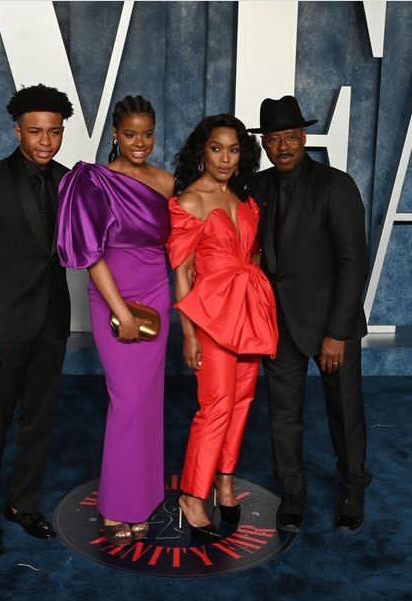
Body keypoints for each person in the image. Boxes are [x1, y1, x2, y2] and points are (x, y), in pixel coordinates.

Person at [0, 84, 73, 557]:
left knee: (39, 424)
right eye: (35, 132)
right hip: (1, 331)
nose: (46, 141)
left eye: (54, 132)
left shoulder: (69, 181)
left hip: (51, 325)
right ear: (17, 130)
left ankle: (22, 505)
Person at [248, 95, 372, 533]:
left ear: (304, 137)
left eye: (290, 137)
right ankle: (293, 494)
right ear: (264, 144)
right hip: (277, 324)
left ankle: (353, 488)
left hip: (329, 325)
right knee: (283, 414)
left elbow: (352, 262)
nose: (282, 146)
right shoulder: (256, 188)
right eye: (274, 139)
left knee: (345, 410)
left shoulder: (335, 186)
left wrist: (337, 332)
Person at [57, 95, 174, 546]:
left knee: (148, 400)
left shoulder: (166, 181)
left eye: (147, 133)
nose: (139, 142)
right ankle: (116, 506)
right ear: (114, 134)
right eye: (130, 134)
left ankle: (143, 499)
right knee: (126, 399)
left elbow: (179, 243)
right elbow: (91, 254)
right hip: (113, 295)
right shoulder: (95, 181)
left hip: (156, 294)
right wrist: (121, 311)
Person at [167, 114, 278, 541]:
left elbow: (252, 256)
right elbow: (181, 272)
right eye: (216, 148)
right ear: (202, 150)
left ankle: (224, 480)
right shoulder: (190, 201)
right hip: (211, 315)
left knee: (243, 400)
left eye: (233, 149)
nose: (225, 158)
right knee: (214, 406)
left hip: (248, 312)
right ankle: (193, 495)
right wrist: (190, 334)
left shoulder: (244, 199)